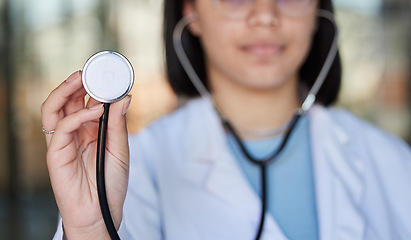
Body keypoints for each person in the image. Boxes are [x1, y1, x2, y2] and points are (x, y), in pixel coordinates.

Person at [41, 0, 411, 239]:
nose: (265, 15)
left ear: (317, 11)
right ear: (191, 13)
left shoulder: (393, 162)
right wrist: (90, 231)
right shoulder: (134, 168)